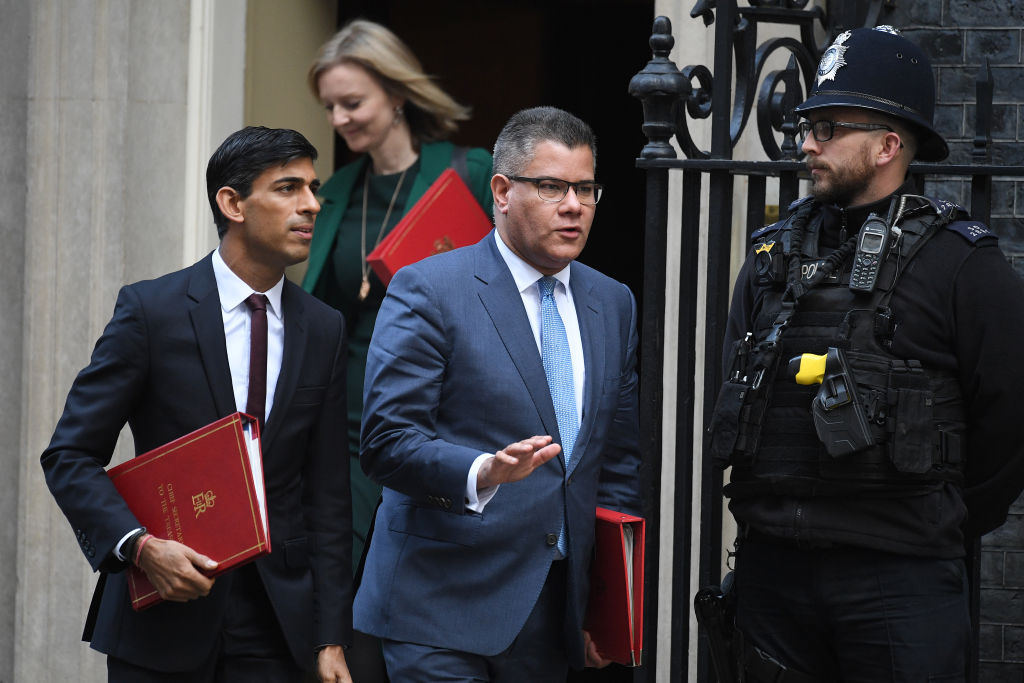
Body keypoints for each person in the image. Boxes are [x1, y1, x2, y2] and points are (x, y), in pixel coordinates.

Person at [709, 26, 1024, 682]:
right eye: (806, 125)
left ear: (887, 144)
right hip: (773, 577)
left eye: (827, 127)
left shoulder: (964, 266)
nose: (807, 144)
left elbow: (1008, 425)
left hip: (899, 585)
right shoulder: (769, 260)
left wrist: (934, 521)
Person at [40, 127, 353, 683]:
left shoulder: (324, 328)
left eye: (313, 187)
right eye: (287, 188)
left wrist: (330, 636)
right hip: (162, 617)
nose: (311, 204)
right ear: (231, 203)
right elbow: (69, 456)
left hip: (280, 628)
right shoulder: (151, 311)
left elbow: (327, 496)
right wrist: (140, 548)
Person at [354, 106, 642, 681]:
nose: (574, 206)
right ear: (503, 191)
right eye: (553, 187)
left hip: (556, 612)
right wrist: (482, 470)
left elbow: (618, 459)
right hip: (439, 607)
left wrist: (604, 602)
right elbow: (386, 440)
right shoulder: (429, 288)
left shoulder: (613, 302)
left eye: (586, 189)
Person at [302, 18, 493, 575]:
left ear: (396, 92)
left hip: (443, 416)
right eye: (330, 107)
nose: (339, 120)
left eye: (352, 103)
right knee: (348, 576)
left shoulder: (471, 173)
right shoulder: (332, 195)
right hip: (347, 422)